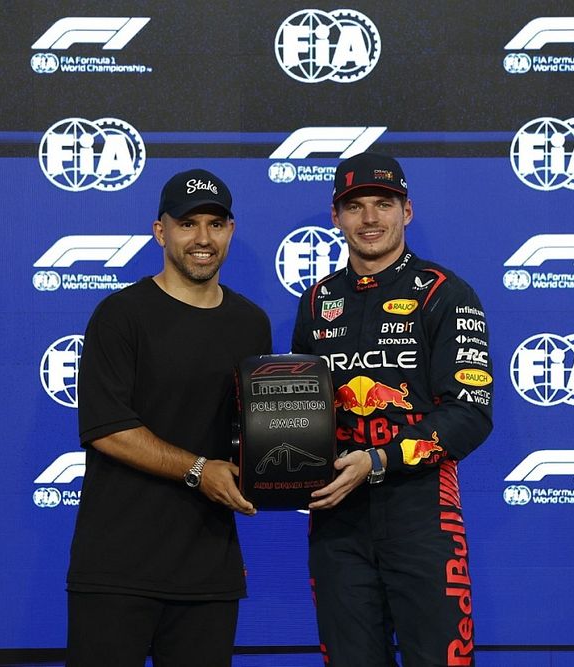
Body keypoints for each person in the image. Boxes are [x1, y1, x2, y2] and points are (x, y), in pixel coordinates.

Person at [291, 153, 493, 666]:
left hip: (421, 512)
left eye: (384, 204)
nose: (370, 219)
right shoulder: (317, 301)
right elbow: (300, 409)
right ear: (335, 218)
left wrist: (380, 461)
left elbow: (470, 413)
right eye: (355, 206)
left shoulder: (446, 293)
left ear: (407, 211)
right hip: (337, 518)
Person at [67, 168, 272, 666]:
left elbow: (258, 435)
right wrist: (200, 471)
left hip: (209, 569)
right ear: (161, 231)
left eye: (216, 224)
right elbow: (107, 429)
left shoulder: (251, 324)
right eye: (188, 224)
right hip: (117, 568)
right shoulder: (121, 315)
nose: (203, 238)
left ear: (231, 231)